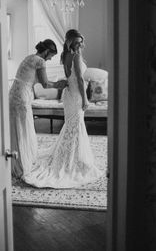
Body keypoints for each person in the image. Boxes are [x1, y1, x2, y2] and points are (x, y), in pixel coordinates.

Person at [23, 29, 103, 188]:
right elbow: (79, 79)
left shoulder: (65, 55)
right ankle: (74, 160)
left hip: (68, 95)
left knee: (72, 127)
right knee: (75, 126)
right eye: (77, 42)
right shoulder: (76, 56)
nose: (80, 44)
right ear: (70, 42)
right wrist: (86, 98)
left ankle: (73, 156)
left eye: (81, 41)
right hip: (76, 95)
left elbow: (71, 77)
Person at [9, 39, 67, 178]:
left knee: (16, 127)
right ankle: (23, 163)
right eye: (51, 55)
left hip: (13, 93)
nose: (50, 58)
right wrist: (60, 84)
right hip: (22, 96)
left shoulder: (29, 57)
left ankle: (16, 159)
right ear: (46, 51)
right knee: (23, 127)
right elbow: (45, 84)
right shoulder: (39, 61)